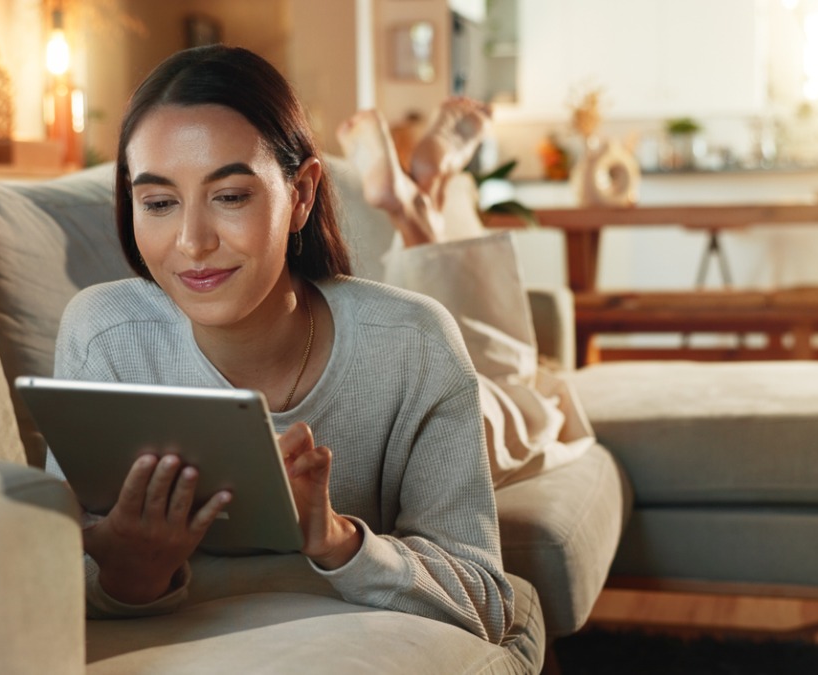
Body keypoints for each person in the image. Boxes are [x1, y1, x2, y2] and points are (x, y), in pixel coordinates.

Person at [49, 45, 516, 646]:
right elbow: (55, 581)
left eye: (231, 196)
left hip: (496, 413)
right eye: (159, 203)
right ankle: (421, 193)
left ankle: (427, 195)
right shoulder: (104, 336)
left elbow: (484, 602)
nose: (191, 243)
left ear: (300, 195)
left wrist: (336, 538)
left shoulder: (413, 345)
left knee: (515, 381)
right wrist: (132, 571)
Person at [335, 101, 596, 489]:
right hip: (444, 393)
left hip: (406, 368)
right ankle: (420, 203)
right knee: (520, 402)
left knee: (492, 381)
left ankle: (422, 203)